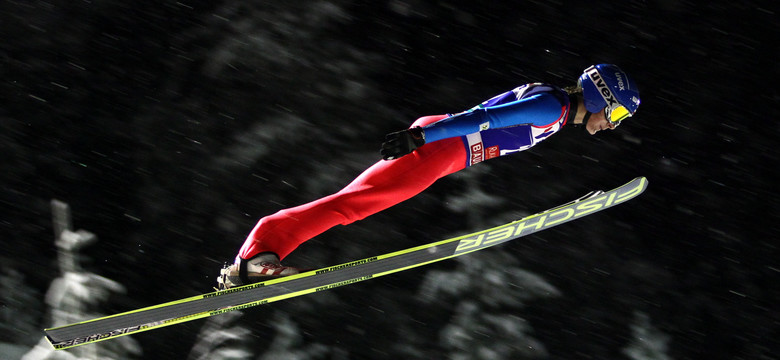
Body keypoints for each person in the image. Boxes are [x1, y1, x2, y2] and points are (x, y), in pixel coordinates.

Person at [217, 64, 641, 289]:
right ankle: (259, 253)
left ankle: (259, 253)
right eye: (617, 113)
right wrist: (422, 137)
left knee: (353, 203)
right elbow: (483, 118)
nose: (613, 124)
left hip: (445, 151)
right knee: (353, 205)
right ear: (599, 96)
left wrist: (427, 135)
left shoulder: (557, 107)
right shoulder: (552, 107)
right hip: (441, 148)